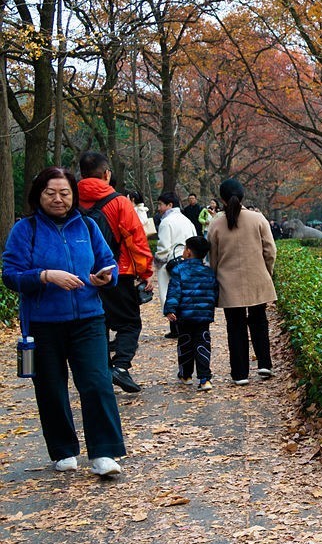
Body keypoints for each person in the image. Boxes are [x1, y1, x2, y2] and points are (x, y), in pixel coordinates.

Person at [1, 167, 126, 477]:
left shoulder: (87, 225)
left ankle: (105, 454)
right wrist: (44, 276)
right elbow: (10, 275)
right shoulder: (25, 230)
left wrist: (106, 276)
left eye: (65, 193)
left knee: (97, 383)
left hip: (88, 319)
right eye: (50, 193)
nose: (58, 199)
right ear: (38, 195)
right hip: (42, 323)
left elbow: (108, 263)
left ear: (74, 196)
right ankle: (63, 450)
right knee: (50, 388)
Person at [77, 151, 154, 394]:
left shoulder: (69, 200)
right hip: (117, 271)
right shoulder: (119, 202)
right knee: (129, 323)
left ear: (82, 174)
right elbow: (135, 239)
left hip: (80, 275)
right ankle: (120, 366)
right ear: (107, 174)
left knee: (97, 323)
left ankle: (102, 371)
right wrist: (145, 271)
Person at [207, 178, 277, 385]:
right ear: (243, 195)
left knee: (235, 327)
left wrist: (215, 277)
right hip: (257, 278)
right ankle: (264, 364)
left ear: (222, 199)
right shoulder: (258, 219)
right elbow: (270, 250)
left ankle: (240, 374)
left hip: (228, 282)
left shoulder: (216, 223)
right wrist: (267, 272)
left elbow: (213, 257)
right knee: (259, 321)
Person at [164, 236, 219, 391]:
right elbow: (214, 292)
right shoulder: (208, 271)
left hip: (185, 316)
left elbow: (174, 291)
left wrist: (170, 309)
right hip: (203, 316)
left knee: (185, 344)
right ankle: (204, 379)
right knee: (203, 343)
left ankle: (186, 375)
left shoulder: (179, 270)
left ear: (188, 252)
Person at [154, 192, 197, 339]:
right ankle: (184, 328)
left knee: (171, 295)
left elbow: (163, 247)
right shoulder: (187, 220)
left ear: (170, 205)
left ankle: (175, 328)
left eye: (160, 204)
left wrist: (158, 260)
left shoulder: (166, 222)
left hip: (171, 263)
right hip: (187, 260)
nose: (159, 208)